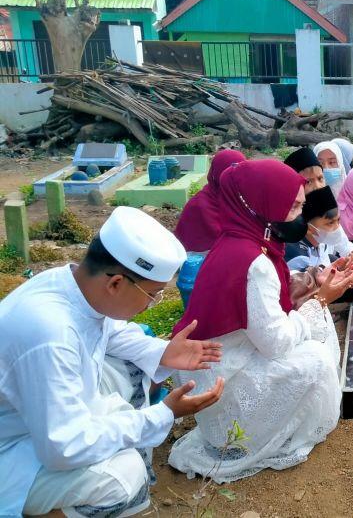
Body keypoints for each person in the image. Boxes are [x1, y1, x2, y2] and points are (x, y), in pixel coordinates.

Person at [0, 206, 225, 517]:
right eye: (153, 294)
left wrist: (163, 353)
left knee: (132, 379)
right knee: (124, 476)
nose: (151, 305)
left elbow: (110, 329)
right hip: (13, 448)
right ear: (116, 283)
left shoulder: (72, 283)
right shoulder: (50, 333)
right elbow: (64, 448)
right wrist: (164, 414)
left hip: (35, 417)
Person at [168, 160, 353, 483]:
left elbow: (265, 309)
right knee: (316, 357)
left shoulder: (239, 240)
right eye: (294, 206)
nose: (300, 215)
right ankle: (261, 439)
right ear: (264, 204)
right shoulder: (253, 261)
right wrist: (321, 300)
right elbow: (276, 342)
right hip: (224, 391)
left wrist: (314, 286)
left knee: (312, 335)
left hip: (216, 373)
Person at [285, 185, 353, 271]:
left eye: (338, 220)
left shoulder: (322, 242)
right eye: (330, 223)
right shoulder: (297, 257)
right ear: (309, 228)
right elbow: (311, 286)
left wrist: (346, 264)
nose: (337, 228)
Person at [174, 149, 246, 253]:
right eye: (232, 174)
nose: (238, 179)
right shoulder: (198, 206)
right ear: (218, 174)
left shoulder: (242, 199)